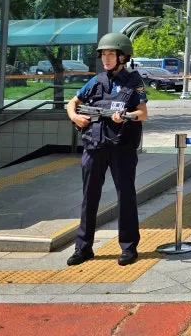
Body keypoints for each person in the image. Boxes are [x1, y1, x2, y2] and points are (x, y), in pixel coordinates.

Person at [66, 32, 147, 267]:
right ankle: (83, 248)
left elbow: (143, 113)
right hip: (94, 146)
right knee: (89, 197)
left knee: (126, 196)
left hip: (121, 148)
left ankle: (128, 247)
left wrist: (126, 116)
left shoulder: (134, 82)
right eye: (103, 54)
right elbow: (73, 102)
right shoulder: (96, 81)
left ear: (123, 57)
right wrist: (75, 117)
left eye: (111, 54)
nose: (106, 58)